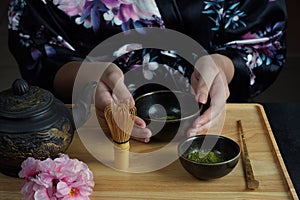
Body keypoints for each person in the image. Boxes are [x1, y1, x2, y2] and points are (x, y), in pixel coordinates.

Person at [8, 0, 287, 143]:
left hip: (211, 122)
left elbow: (265, 42)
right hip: (89, 127)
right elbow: (39, 53)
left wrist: (223, 67)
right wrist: (86, 78)